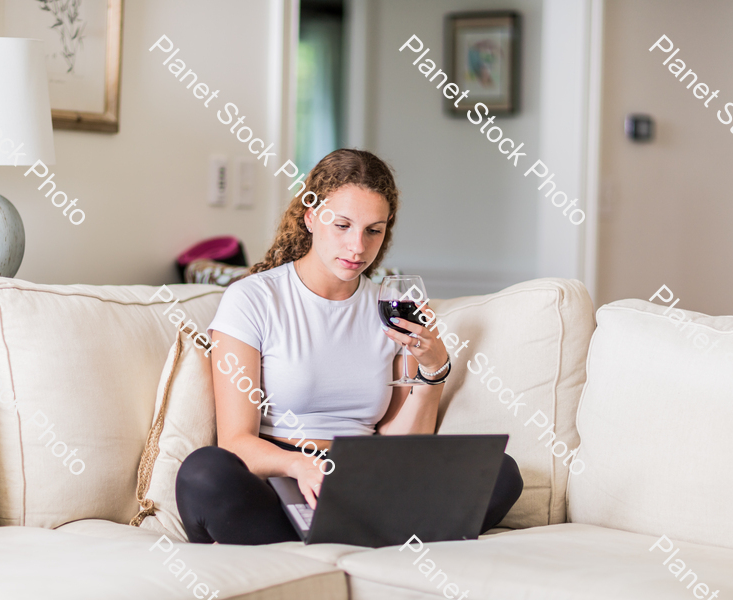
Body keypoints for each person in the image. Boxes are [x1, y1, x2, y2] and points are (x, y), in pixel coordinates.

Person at [175, 149, 523, 545]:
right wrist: (300, 466)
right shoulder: (252, 299)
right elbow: (236, 441)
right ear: (310, 217)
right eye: (342, 225)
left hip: (365, 480)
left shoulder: (391, 307)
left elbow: (401, 448)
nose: (357, 246)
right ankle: (377, 535)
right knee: (203, 473)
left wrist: (433, 372)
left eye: (373, 230)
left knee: (501, 472)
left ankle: (340, 534)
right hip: (283, 477)